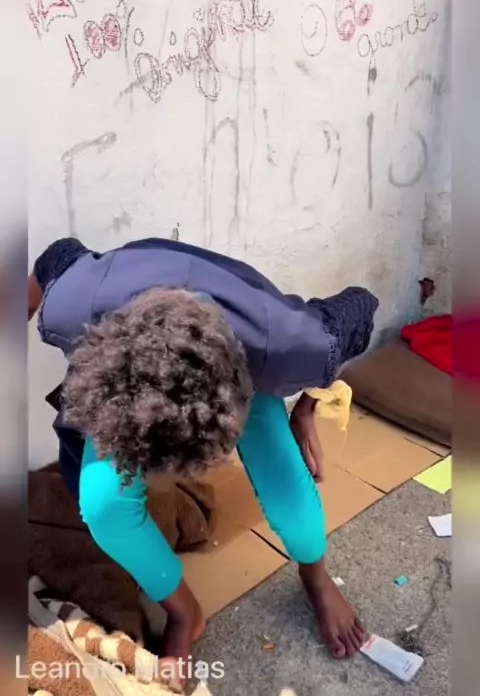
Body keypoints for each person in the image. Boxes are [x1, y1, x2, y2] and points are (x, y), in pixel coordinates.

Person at [28, 236, 379, 680]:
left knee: (291, 499)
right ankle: (184, 612)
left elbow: (362, 308)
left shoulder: (296, 344)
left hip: (242, 352)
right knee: (103, 502)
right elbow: (54, 257)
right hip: (129, 342)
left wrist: (307, 406)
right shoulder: (73, 305)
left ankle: (315, 577)